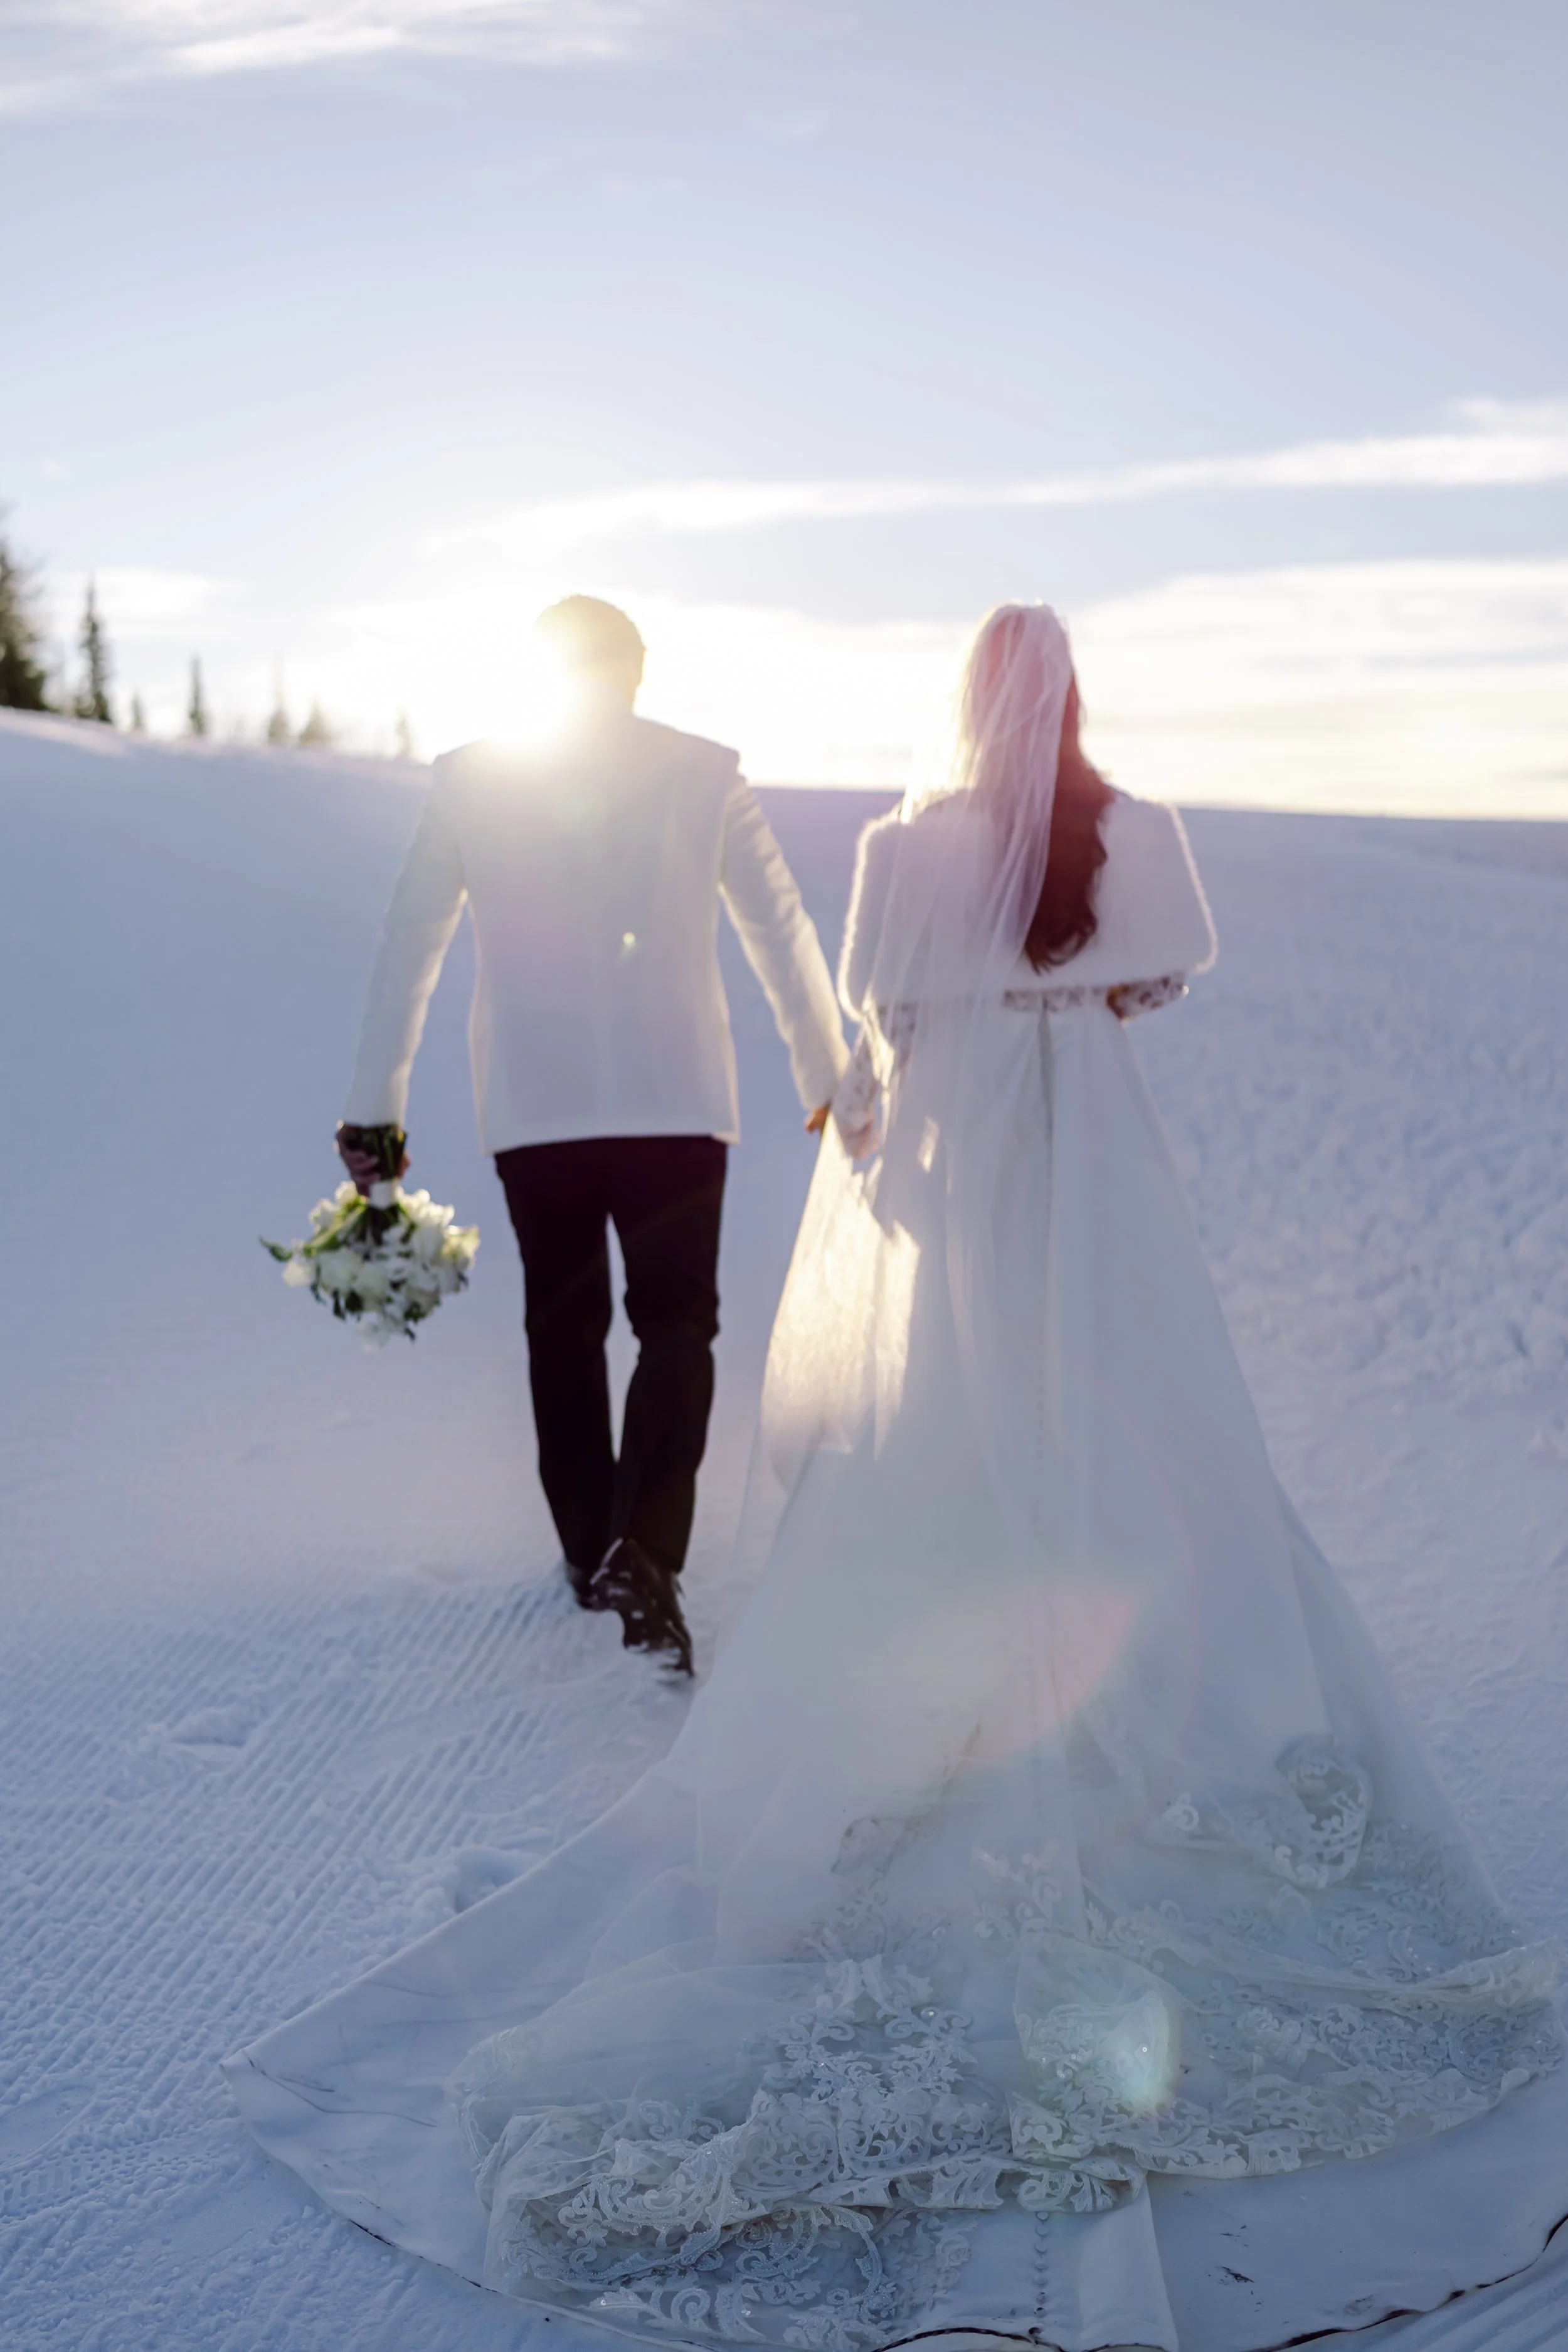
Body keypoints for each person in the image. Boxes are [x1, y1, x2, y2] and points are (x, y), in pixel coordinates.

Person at [229, 605, 1568, 2352]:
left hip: (789, 1140)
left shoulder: (869, 845)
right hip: (1068, 1167)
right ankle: (750, 1568)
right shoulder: (1118, 833)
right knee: (1087, 1411)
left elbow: (857, 994)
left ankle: (651, 1567)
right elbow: (1142, 968)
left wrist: (859, 1084)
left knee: (790, 1382)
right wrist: (1006, 1013)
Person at [335, 596, 845, 1672]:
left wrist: (374, 1107)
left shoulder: (472, 777)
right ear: (639, 671)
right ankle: (647, 1555)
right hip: (676, 1101)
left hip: (536, 1106)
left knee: (562, 1326)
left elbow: (407, 941)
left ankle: (590, 1556)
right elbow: (780, 924)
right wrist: (826, 1072)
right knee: (677, 1326)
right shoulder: (706, 771)